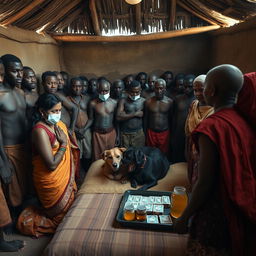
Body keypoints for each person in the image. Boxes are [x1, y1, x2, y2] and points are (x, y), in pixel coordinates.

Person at [174, 65, 256, 256]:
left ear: (210, 90)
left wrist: (185, 217)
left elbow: (204, 182)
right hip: (239, 199)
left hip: (216, 208)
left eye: (204, 87)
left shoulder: (212, 127)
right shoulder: (243, 120)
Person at [17, 93, 79, 237]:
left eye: (59, 111)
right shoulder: (40, 131)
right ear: (42, 112)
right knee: (60, 221)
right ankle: (25, 221)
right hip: (50, 179)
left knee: (70, 215)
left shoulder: (59, 125)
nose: (58, 114)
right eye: (54, 111)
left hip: (62, 179)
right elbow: (51, 164)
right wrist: (63, 143)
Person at [0, 54, 29, 223]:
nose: (19, 75)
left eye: (21, 71)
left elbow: (24, 120)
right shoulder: (1, 95)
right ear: (4, 71)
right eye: (15, 71)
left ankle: (22, 219)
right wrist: (3, 161)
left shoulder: (20, 92)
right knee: (12, 190)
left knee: (25, 188)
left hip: (24, 147)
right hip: (8, 150)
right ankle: (10, 223)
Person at [185, 75, 214, 187]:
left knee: (203, 176)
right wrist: (187, 148)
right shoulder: (194, 104)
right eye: (195, 90)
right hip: (192, 144)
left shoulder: (214, 109)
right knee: (192, 171)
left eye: (201, 90)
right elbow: (188, 126)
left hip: (205, 149)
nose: (197, 94)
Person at [67, 77, 92, 173]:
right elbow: (65, 118)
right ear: (70, 87)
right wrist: (76, 130)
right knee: (77, 156)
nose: (77, 89)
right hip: (74, 132)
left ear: (82, 87)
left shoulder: (87, 99)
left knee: (88, 154)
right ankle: (79, 176)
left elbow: (91, 117)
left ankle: (89, 174)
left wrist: (84, 129)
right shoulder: (66, 101)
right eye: (74, 86)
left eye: (79, 86)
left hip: (86, 131)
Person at [89, 80, 118, 160]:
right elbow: (91, 119)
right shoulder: (93, 103)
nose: (104, 93)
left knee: (112, 157)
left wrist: (118, 135)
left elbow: (116, 121)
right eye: (101, 91)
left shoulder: (114, 103)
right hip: (97, 135)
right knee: (98, 158)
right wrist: (83, 129)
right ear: (98, 90)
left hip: (111, 133)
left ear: (109, 90)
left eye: (106, 91)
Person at [144, 78, 173, 156]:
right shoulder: (148, 102)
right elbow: (146, 119)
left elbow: (171, 118)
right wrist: (145, 133)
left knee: (163, 154)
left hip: (164, 133)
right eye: (156, 88)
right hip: (151, 133)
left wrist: (171, 134)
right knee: (151, 154)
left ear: (165, 89)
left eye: (161, 88)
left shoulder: (169, 102)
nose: (158, 91)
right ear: (154, 88)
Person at [171, 74, 195, 163]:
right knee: (177, 156)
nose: (186, 89)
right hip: (178, 132)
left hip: (192, 133)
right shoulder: (178, 99)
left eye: (190, 87)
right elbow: (174, 117)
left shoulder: (198, 100)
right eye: (184, 86)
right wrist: (172, 134)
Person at [117, 80, 145, 148]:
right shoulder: (123, 101)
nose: (135, 94)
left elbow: (146, 118)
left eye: (137, 92)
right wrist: (135, 114)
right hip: (125, 133)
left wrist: (125, 115)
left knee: (138, 154)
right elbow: (118, 117)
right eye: (132, 92)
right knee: (125, 155)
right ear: (128, 91)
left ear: (140, 90)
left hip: (139, 133)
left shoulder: (143, 101)